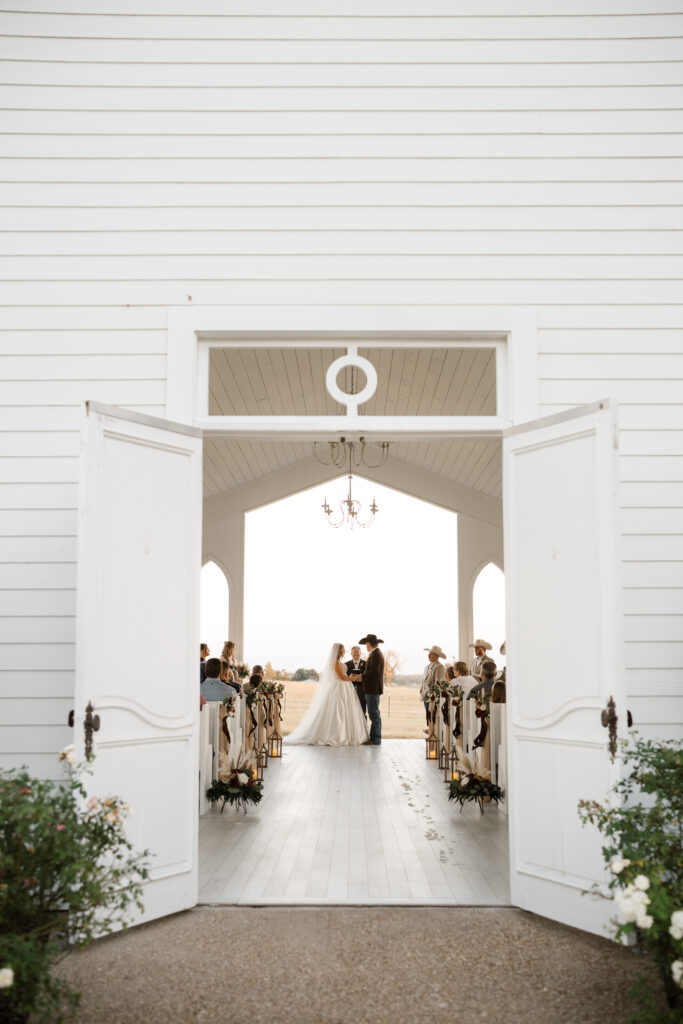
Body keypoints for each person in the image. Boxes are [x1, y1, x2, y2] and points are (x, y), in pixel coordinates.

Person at [286, 643, 369, 746]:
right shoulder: (335, 662)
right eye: (343, 650)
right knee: (338, 711)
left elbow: (343, 675)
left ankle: (346, 734)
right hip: (339, 688)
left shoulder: (337, 662)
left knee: (345, 711)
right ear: (339, 652)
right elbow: (341, 677)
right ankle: (337, 735)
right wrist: (353, 678)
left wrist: (350, 676)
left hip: (344, 687)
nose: (344, 652)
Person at [359, 633, 384, 745]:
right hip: (371, 689)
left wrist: (361, 677)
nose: (366, 646)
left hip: (372, 689)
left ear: (369, 644)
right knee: (374, 713)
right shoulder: (375, 654)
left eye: (366, 644)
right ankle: (374, 738)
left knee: (374, 714)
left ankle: (376, 739)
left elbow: (373, 672)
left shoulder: (376, 655)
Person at [420, 645, 447, 730]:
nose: (428, 656)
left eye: (430, 654)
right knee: (429, 719)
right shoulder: (426, 667)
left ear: (436, 656)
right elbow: (423, 681)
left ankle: (434, 735)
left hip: (432, 698)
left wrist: (430, 693)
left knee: (434, 719)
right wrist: (421, 691)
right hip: (425, 697)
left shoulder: (439, 667)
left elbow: (438, 684)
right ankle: (431, 733)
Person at [345, 645, 367, 716]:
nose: (356, 657)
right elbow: (344, 679)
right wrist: (350, 677)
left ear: (360, 654)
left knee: (363, 714)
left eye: (358, 655)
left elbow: (368, 677)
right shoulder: (346, 665)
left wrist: (361, 678)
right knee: (350, 714)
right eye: (354, 655)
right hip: (350, 694)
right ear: (351, 654)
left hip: (362, 694)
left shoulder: (366, 664)